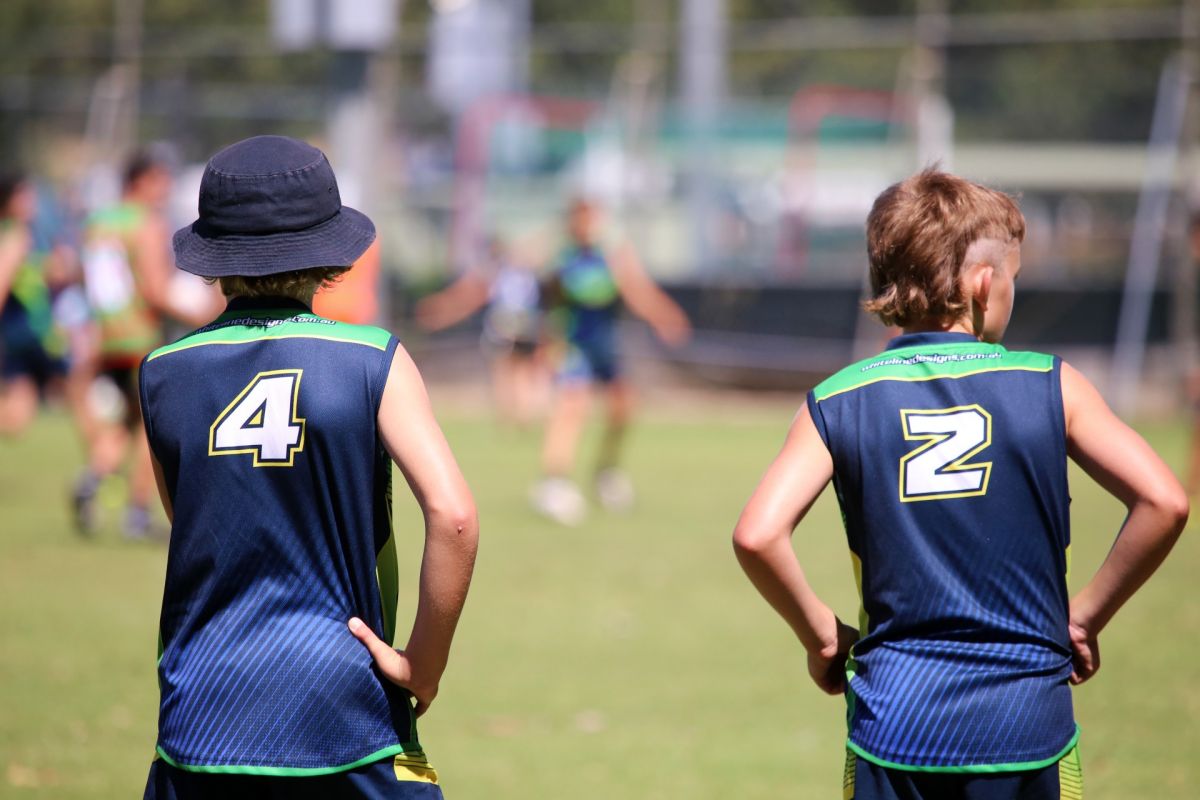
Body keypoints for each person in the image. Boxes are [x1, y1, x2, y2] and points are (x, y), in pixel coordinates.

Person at [732, 169, 1187, 799]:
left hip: (894, 724)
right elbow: (1164, 500)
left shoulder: (837, 401)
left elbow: (757, 535)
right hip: (1029, 722)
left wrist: (822, 636)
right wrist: (1083, 618)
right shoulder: (1052, 385)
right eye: (1013, 280)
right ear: (982, 283)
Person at [139, 135, 478, 799]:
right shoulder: (371, 357)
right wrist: (424, 665)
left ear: (214, 255)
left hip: (201, 717)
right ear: (330, 252)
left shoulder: (161, 374)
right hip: (347, 712)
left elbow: (197, 526)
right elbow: (454, 515)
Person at [73, 150, 216, 538]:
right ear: (142, 181)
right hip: (139, 337)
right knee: (154, 426)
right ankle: (137, 512)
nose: (166, 189)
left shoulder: (98, 222)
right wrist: (207, 317)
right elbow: (154, 290)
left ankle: (92, 478)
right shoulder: (146, 224)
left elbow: (85, 279)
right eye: (161, 180)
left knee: (130, 420)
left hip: (105, 336)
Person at [531, 198, 691, 525]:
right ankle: (554, 484)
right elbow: (548, 305)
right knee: (572, 407)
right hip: (573, 346)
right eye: (583, 219)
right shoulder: (563, 260)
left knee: (623, 408)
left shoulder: (614, 254)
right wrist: (546, 345)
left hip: (606, 348)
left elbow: (639, 291)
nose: (589, 226)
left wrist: (666, 317)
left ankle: (606, 473)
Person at [416, 236, 547, 428]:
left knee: (505, 372)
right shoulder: (524, 275)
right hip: (523, 325)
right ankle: (521, 416)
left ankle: (512, 417)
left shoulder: (499, 274)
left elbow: (472, 296)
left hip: (504, 326)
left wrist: (440, 313)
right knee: (519, 372)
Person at [0, 171, 68, 435]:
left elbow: (40, 275)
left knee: (19, 416)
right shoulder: (15, 235)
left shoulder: (28, 233)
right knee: (75, 386)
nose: (31, 202)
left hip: (31, 331)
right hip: (28, 333)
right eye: (24, 196)